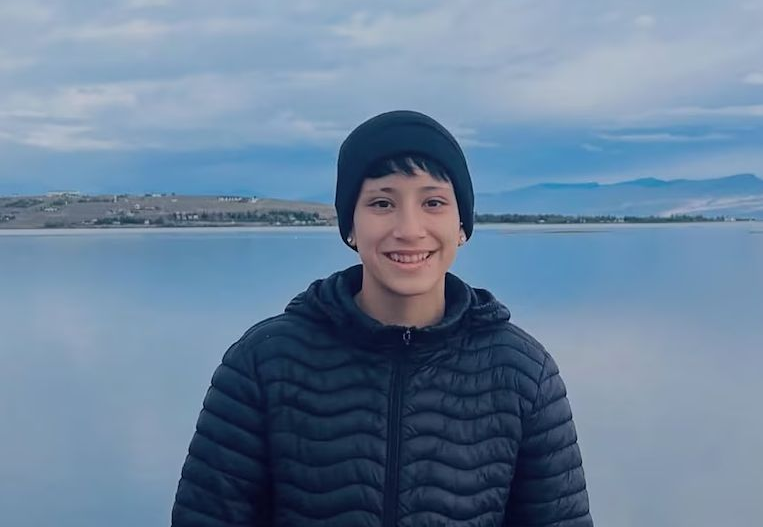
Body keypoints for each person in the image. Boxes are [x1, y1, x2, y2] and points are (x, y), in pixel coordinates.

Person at [171, 110, 593, 526]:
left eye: (433, 202)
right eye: (382, 203)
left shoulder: (523, 373)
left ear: (461, 225)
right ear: (350, 227)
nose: (409, 229)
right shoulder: (263, 364)